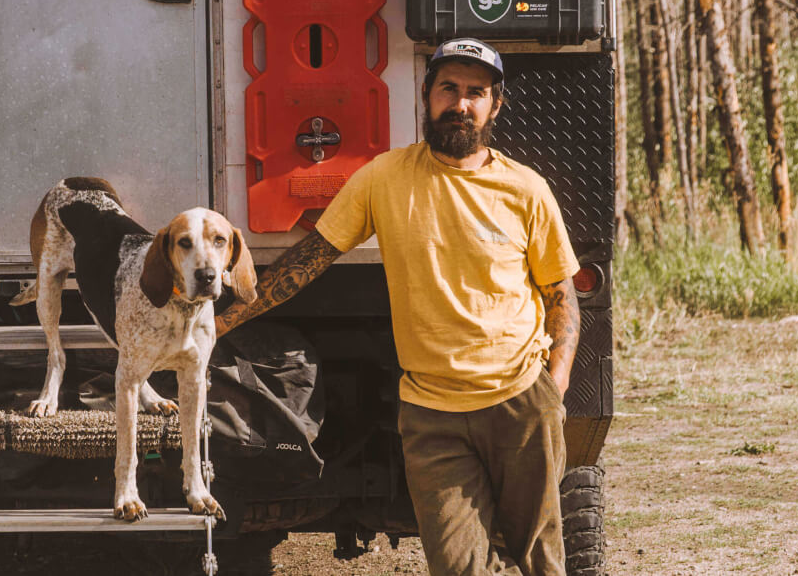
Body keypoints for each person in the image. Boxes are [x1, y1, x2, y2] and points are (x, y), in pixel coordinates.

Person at [216, 37, 580, 576]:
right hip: (432, 414)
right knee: (456, 567)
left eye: (476, 93)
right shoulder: (384, 178)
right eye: (449, 89)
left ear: (495, 105)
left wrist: (555, 385)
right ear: (426, 94)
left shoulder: (526, 189)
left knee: (540, 560)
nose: (461, 104)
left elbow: (561, 296)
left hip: (521, 403)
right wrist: (221, 321)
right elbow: (307, 262)